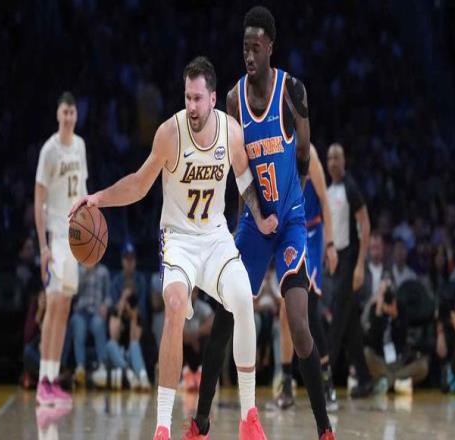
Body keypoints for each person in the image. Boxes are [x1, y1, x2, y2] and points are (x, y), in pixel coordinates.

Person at [70, 56, 275, 440]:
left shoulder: (230, 133)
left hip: (215, 238)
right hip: (178, 240)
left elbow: (245, 178)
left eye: (198, 98)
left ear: (212, 98)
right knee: (176, 305)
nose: (192, 106)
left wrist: (261, 218)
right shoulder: (170, 133)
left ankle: (249, 418)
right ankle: (162, 426)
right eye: (187, 98)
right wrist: (97, 198)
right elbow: (139, 183)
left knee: (243, 299)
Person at [186, 7, 335, 440]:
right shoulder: (233, 99)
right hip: (254, 225)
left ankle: (325, 429)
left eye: (256, 47)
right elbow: (238, 168)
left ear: (270, 46)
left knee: (299, 325)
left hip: (288, 223)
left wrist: (290, 206)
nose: (249, 55)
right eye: (244, 48)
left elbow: (304, 155)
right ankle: (200, 423)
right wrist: (252, 215)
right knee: (225, 320)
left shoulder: (293, 92)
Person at [274, 144, 338, 411]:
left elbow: (325, 202)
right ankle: (287, 384)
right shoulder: (275, 148)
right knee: (284, 313)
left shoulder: (307, 153)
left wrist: (331, 244)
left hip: (311, 234)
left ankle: (327, 382)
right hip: (289, 234)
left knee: (309, 310)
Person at [34, 91, 88, 406]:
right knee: (53, 305)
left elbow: (83, 193)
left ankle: (52, 378)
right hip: (55, 236)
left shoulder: (80, 146)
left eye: (72, 112)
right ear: (58, 115)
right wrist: (43, 247)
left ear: (76, 115)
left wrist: (87, 238)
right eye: (64, 112)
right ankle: (42, 381)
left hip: (73, 238)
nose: (68, 117)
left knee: (65, 307)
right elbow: (38, 200)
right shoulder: (49, 150)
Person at [326, 143, 373, 398]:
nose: (333, 162)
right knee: (350, 325)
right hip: (337, 261)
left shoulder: (350, 188)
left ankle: (324, 379)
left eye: (337, 157)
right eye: (330, 158)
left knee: (337, 323)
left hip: (350, 260)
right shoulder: (329, 190)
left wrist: (360, 264)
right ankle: (364, 379)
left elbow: (365, 225)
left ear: (344, 161)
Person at [71, 263, 111, 388]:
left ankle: (102, 365)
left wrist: (105, 306)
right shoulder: (78, 270)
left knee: (99, 325)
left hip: (96, 312)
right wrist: (85, 273)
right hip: (80, 312)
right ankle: (80, 366)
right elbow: (73, 294)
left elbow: (108, 297)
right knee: (79, 327)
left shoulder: (104, 271)